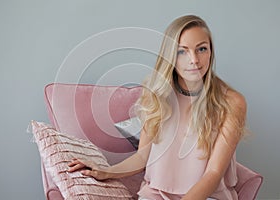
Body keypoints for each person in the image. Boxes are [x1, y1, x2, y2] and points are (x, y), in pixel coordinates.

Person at [68, 15, 247, 200]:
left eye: (201, 49)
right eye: (182, 51)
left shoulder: (232, 102)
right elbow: (143, 157)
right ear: (170, 56)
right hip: (155, 194)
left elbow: (214, 173)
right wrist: (105, 172)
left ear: (211, 52)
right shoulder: (156, 94)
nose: (194, 59)